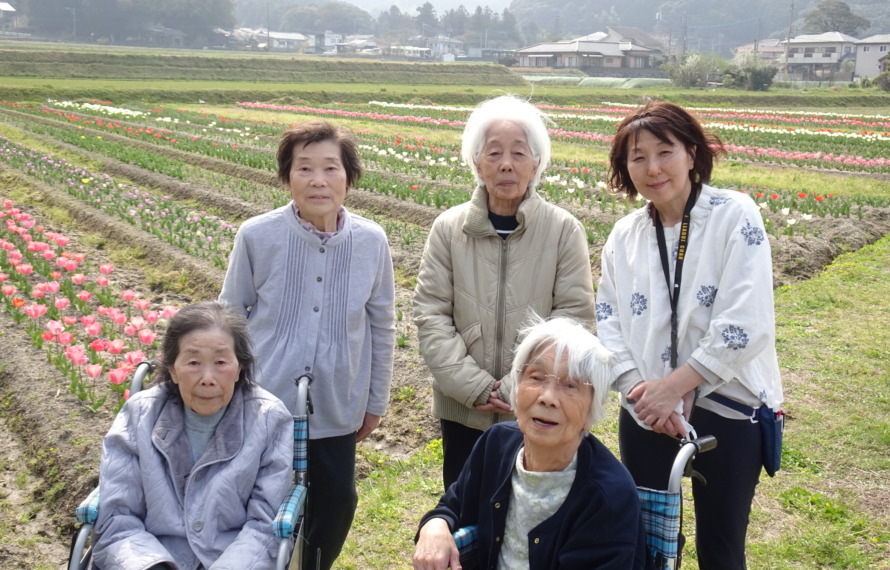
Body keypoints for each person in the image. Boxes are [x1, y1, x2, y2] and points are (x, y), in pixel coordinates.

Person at [595, 100, 783, 569]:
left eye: (665, 151)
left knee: (721, 547)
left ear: (693, 154)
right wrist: (643, 394)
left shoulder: (734, 215)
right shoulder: (624, 235)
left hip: (727, 407)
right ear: (625, 168)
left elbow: (747, 320)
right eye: (638, 157)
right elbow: (608, 320)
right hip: (645, 414)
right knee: (651, 542)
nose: (653, 168)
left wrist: (674, 388)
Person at [219, 120, 395, 570]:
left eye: (331, 168)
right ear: (286, 177)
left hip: (338, 401)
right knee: (263, 505)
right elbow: (230, 315)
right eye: (305, 169)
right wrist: (227, 390)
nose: (319, 180)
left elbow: (381, 326)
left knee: (337, 505)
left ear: (349, 177)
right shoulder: (257, 235)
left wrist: (374, 400)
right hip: (266, 399)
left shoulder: (372, 241)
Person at [413, 95, 595, 491]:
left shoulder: (563, 231)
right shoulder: (449, 229)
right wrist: (474, 387)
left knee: (530, 513)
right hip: (465, 409)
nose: (506, 164)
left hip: (539, 408)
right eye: (493, 152)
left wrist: (520, 390)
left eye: (518, 152)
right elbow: (431, 314)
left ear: (537, 163)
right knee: (465, 510)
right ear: (477, 163)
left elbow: (574, 321)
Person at [413, 316, 646, 570]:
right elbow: (453, 506)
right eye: (536, 377)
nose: (548, 397)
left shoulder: (608, 497)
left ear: (593, 408)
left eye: (570, 385)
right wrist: (435, 525)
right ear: (517, 385)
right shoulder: (496, 444)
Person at [93, 301, 293, 569]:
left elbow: (265, 526)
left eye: (221, 362)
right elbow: (117, 518)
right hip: (151, 559)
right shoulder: (140, 414)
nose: (207, 377)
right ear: (173, 370)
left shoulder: (269, 419)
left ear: (240, 368)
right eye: (193, 362)